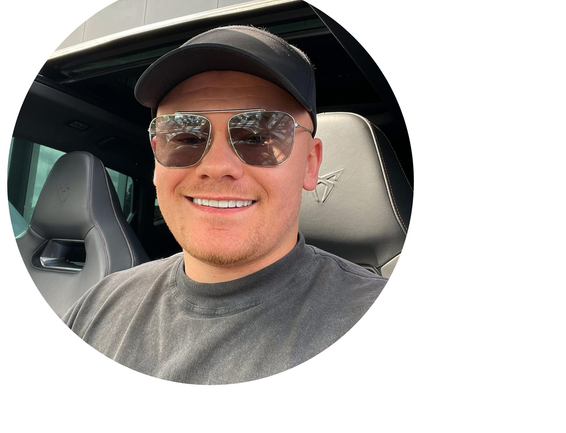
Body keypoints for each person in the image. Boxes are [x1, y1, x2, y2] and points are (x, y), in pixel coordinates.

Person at [63, 25, 386, 385]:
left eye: (257, 137)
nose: (217, 167)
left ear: (310, 164)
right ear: (156, 161)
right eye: (186, 137)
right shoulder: (99, 306)